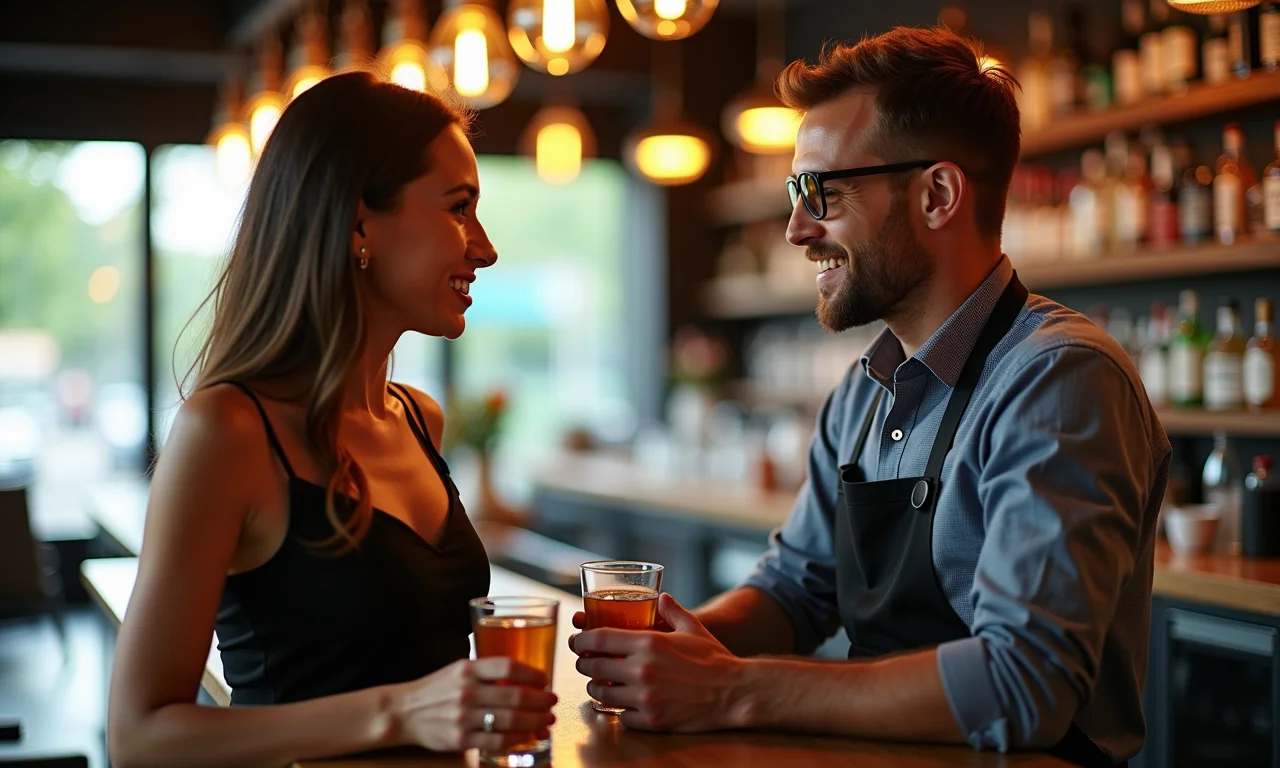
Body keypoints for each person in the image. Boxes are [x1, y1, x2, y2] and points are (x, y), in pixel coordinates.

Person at [569, 26, 1168, 768]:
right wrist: (678, 645)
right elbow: (795, 590)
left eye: (820, 190)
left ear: (938, 195)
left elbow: (1026, 685)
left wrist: (735, 690)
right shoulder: (864, 391)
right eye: (796, 192)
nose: (796, 228)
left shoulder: (1059, 379)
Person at [106, 71, 556, 768]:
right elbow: (141, 737)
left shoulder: (419, 419)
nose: (484, 246)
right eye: (459, 207)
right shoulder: (228, 430)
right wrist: (400, 712)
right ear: (357, 223)